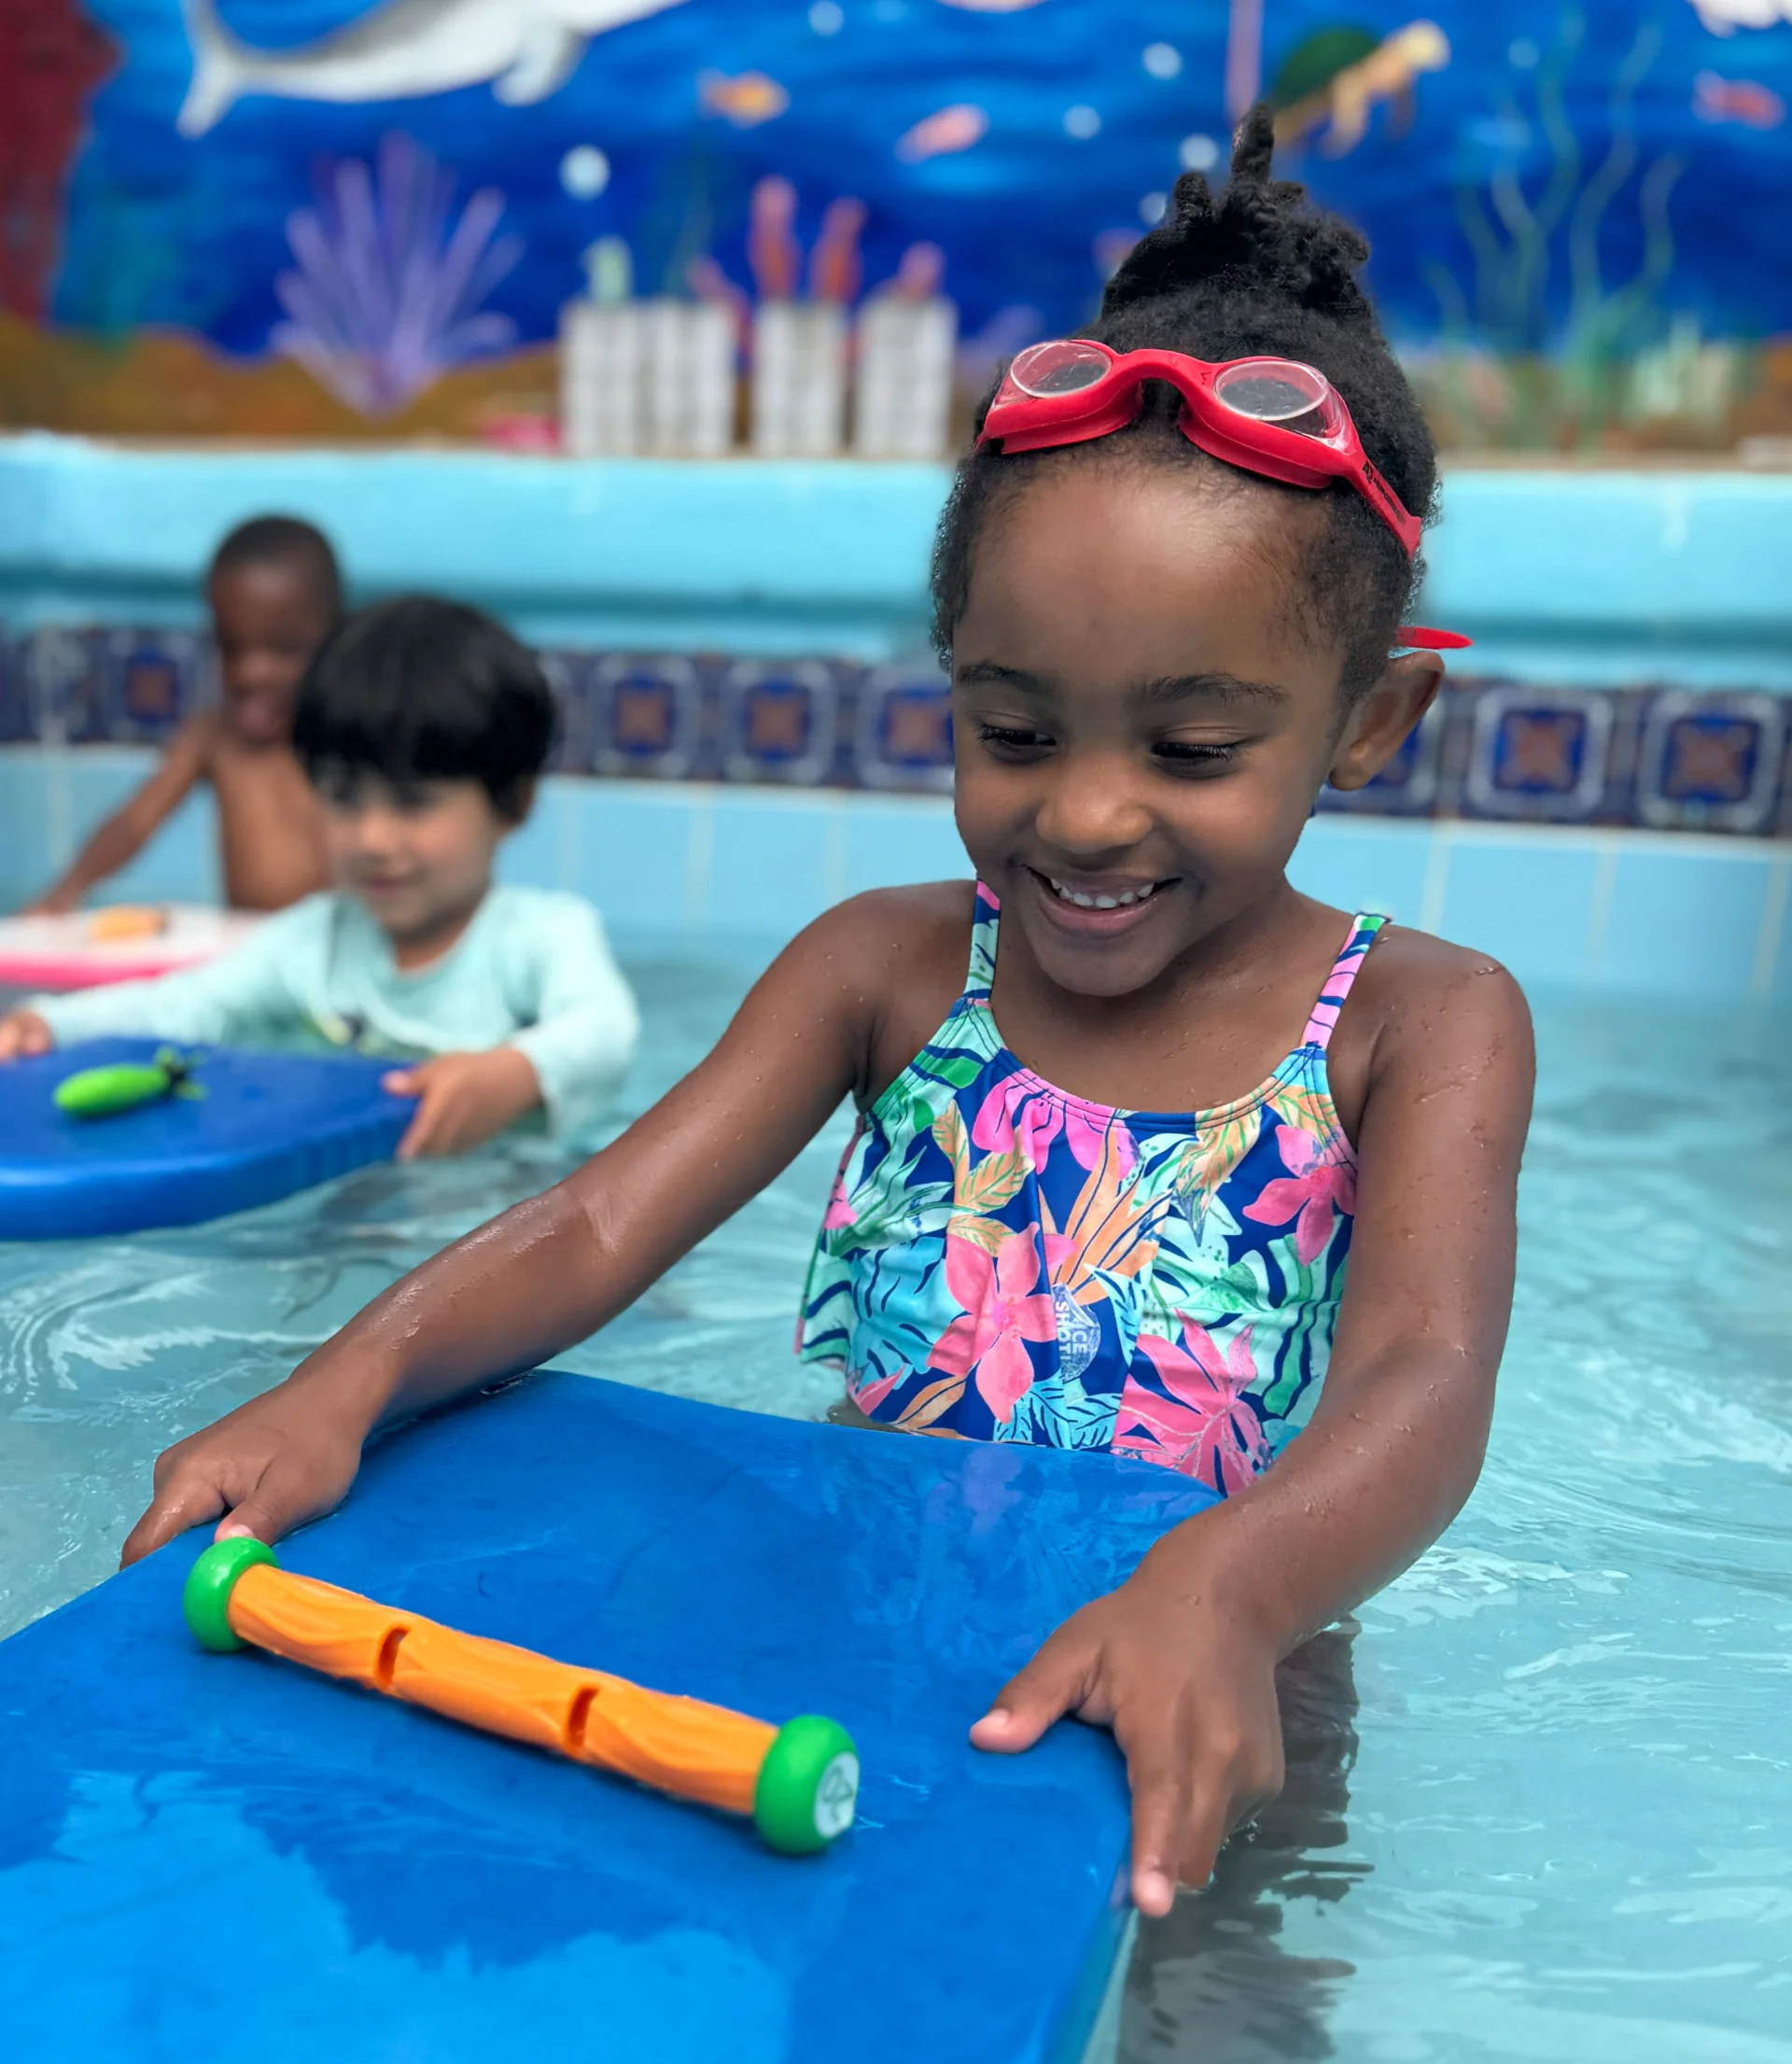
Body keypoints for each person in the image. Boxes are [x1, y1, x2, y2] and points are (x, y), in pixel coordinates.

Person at [119, 117, 1533, 1914]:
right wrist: (348, 1381)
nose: (1086, 814)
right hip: (862, 1636)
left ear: (1366, 725)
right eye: (1015, 730)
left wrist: (1233, 1589)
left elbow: (1426, 1380)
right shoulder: (885, 967)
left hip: (1215, 1659)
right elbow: (601, 1215)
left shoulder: (1416, 1024)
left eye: (1190, 749)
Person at [1, 597, 639, 1159]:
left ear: (513, 803)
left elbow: (606, 1029)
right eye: (343, 797)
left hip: (518, 1208)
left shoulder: (538, 936)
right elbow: (186, 1006)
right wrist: (51, 1026)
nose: (372, 838)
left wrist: (515, 1071)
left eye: (412, 803)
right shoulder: (313, 943)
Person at [25, 515, 340, 915]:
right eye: (231, 646)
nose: (249, 672)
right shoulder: (213, 735)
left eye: (283, 649)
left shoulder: (348, 729)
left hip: (342, 953)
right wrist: (65, 893)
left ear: (334, 638)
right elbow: (134, 822)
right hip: (251, 949)